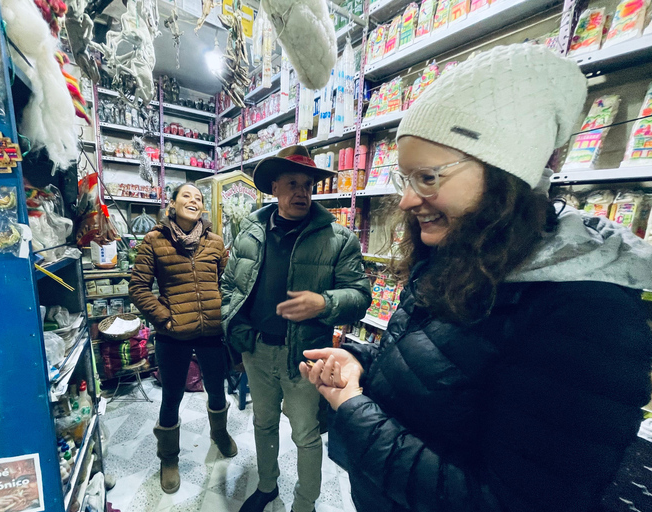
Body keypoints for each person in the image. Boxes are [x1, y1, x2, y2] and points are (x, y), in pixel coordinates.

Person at [300, 43, 652, 511]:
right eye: (406, 178)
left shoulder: (588, 316)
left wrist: (352, 408)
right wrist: (362, 362)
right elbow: (440, 370)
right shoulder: (462, 254)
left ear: (507, 172)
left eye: (427, 177)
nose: (406, 201)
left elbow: (511, 501)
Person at [221, 145, 372, 512]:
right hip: (257, 351)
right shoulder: (250, 232)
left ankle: (305, 504)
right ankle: (268, 486)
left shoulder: (339, 238)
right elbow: (228, 286)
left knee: (305, 434)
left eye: (308, 184)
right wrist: (237, 331)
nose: (301, 192)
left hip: (306, 356)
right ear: (274, 188)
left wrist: (324, 303)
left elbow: (360, 295)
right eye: (292, 183)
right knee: (263, 422)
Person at [129, 183, 237, 495]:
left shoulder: (215, 243)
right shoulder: (154, 240)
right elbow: (138, 287)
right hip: (172, 336)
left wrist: (225, 315)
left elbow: (227, 284)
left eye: (199, 198)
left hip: (211, 333)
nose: (193, 201)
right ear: (173, 204)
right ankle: (169, 458)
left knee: (217, 389)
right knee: (172, 397)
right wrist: (166, 318)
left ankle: (219, 433)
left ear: (203, 208)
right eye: (186, 196)